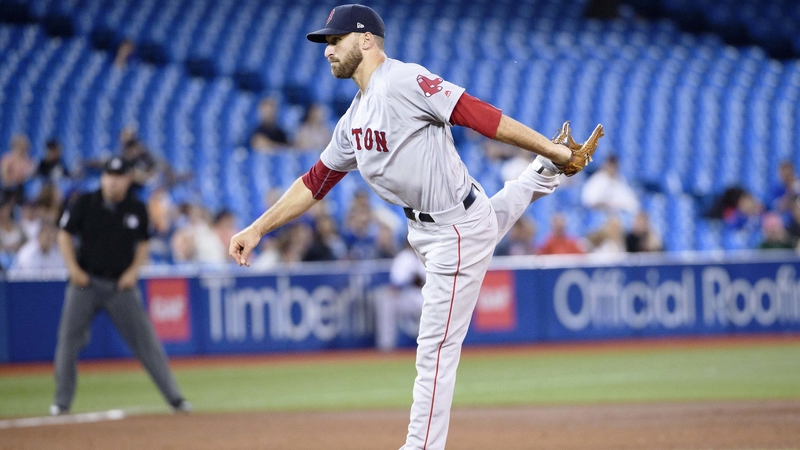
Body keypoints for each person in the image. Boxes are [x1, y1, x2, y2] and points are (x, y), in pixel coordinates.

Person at [228, 5, 598, 449]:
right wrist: (257, 227)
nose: (327, 50)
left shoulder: (402, 80)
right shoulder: (354, 117)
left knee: (435, 349)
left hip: (453, 228)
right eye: (326, 42)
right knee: (489, 223)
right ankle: (544, 172)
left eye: (335, 39)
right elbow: (315, 181)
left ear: (366, 40)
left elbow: (477, 114)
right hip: (437, 227)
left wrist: (549, 148)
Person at [51, 156, 189, 415]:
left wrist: (133, 271)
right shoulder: (84, 203)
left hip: (120, 286)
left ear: (127, 179)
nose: (113, 181)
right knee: (67, 341)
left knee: (147, 343)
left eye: (118, 176)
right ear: (103, 178)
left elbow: (144, 243)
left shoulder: (136, 207)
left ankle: (175, 399)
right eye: (109, 176)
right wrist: (73, 269)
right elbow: (64, 235)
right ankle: (61, 402)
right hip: (85, 282)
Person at [376, 239, 426, 351]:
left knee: (437, 304)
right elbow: (396, 283)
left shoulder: (427, 255)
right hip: (405, 297)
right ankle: (386, 345)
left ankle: (436, 344)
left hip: (422, 296)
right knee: (386, 300)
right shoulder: (403, 257)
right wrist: (411, 279)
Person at [1, 134, 35, 204]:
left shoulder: (29, 161)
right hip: (7, 188)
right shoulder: (7, 159)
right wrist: (12, 182)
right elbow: (4, 175)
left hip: (21, 188)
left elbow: (27, 176)